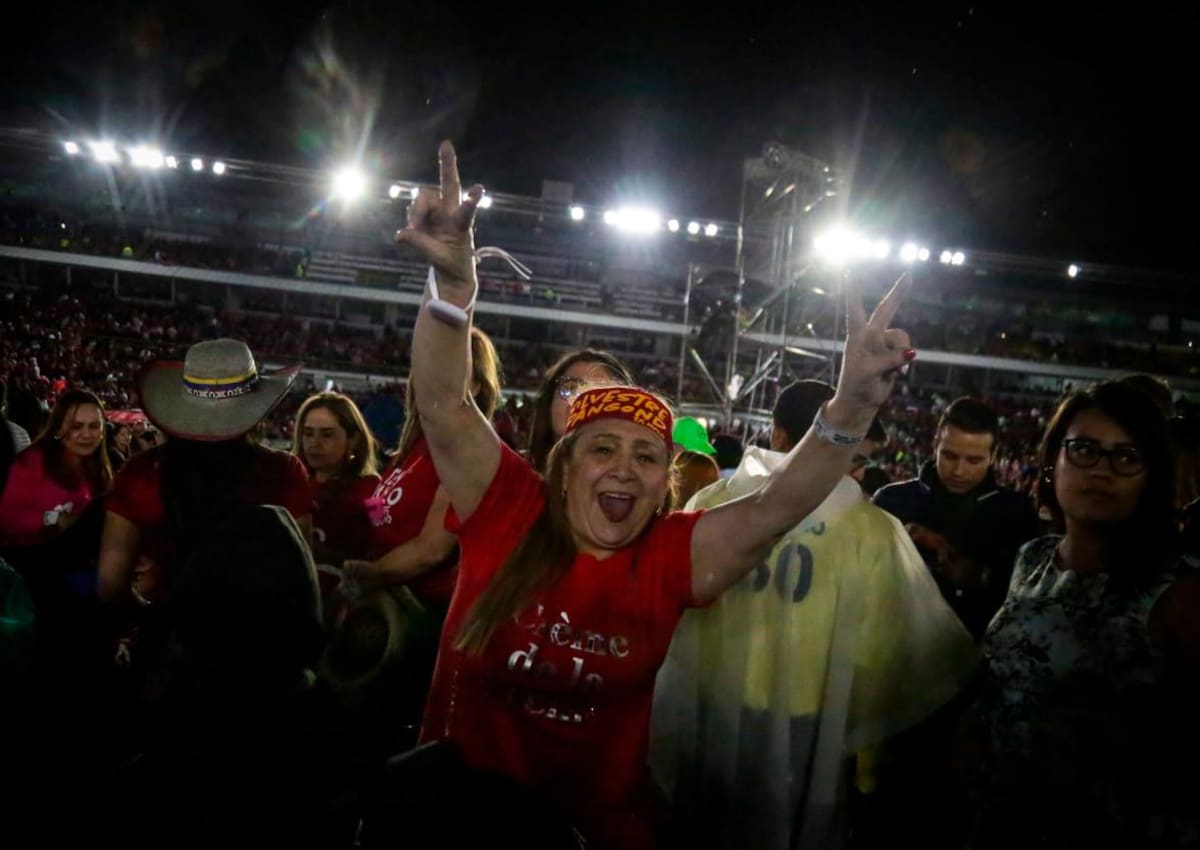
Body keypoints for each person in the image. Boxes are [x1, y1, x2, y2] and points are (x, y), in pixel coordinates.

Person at [393, 141, 914, 849]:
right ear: (566, 464)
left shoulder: (670, 557)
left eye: (646, 457)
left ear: (664, 480)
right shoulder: (509, 506)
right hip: (458, 826)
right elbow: (445, 404)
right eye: (602, 448)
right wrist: (452, 290)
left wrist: (850, 408)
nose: (623, 469)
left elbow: (776, 507)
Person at [650, 380, 976, 850]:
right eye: (853, 457)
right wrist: (868, 761)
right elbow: (885, 662)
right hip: (810, 723)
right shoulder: (871, 530)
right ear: (784, 440)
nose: (854, 475)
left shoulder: (711, 504)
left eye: (859, 462)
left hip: (711, 710)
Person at [963, 381, 1200, 848]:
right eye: (1084, 450)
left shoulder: (1181, 593)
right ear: (1052, 462)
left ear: (1151, 477)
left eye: (1127, 457)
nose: (1103, 471)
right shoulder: (1033, 559)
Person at [98, 339, 311, 619]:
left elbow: (110, 584)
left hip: (172, 636)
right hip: (258, 639)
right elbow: (299, 575)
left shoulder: (141, 472)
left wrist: (154, 617)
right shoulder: (285, 471)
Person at [345, 327, 501, 610]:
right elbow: (382, 511)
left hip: (422, 610)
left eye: (452, 367)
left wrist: (364, 575)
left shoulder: (467, 452)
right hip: (386, 590)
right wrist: (362, 495)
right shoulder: (415, 445)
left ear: (477, 386)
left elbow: (431, 550)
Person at [873, 397, 1038, 639]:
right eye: (949, 456)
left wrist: (981, 579)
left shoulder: (1016, 513)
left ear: (993, 457)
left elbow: (1029, 601)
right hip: (893, 647)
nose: (959, 471)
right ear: (935, 445)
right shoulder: (892, 501)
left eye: (973, 460)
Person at [293, 392, 380, 601]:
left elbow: (382, 543)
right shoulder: (288, 482)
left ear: (353, 439)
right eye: (308, 433)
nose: (315, 443)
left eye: (327, 434)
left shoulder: (373, 491)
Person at [0, 388, 112, 547]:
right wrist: (55, 519)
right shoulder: (32, 462)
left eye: (94, 426)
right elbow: (6, 517)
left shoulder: (98, 468)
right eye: (76, 426)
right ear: (58, 428)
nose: (87, 435)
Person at [526, 348, 633, 473]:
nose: (581, 400)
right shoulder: (512, 472)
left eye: (598, 393)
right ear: (549, 400)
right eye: (570, 387)